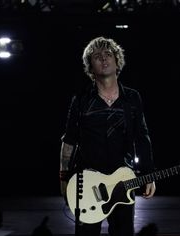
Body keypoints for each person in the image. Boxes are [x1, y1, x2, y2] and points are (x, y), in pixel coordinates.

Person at [59, 36, 156, 236]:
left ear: (117, 60)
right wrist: (63, 177)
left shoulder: (132, 98)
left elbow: (142, 137)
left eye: (108, 54)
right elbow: (69, 140)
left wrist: (148, 174)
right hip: (86, 181)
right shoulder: (81, 99)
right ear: (90, 67)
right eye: (97, 56)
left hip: (123, 180)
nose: (103, 59)